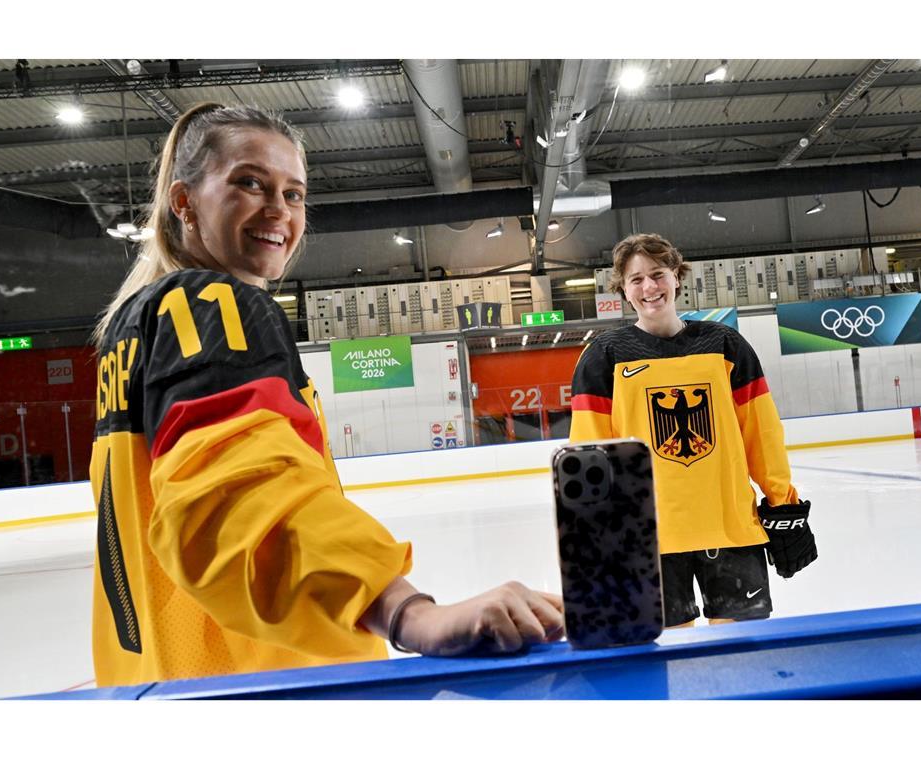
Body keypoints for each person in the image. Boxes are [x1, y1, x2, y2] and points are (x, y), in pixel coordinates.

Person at [89, 102, 563, 687]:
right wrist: (410, 613)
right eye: (250, 184)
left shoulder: (132, 327)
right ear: (184, 202)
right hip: (266, 685)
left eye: (294, 194)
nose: (278, 211)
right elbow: (237, 498)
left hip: (164, 679)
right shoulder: (214, 306)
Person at [568, 233, 817, 629]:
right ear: (623, 290)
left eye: (658, 274)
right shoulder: (604, 356)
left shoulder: (724, 344)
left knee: (743, 662)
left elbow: (761, 433)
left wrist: (783, 503)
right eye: (636, 280)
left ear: (677, 277)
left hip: (731, 529)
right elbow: (589, 452)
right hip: (647, 541)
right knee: (673, 670)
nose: (649, 287)